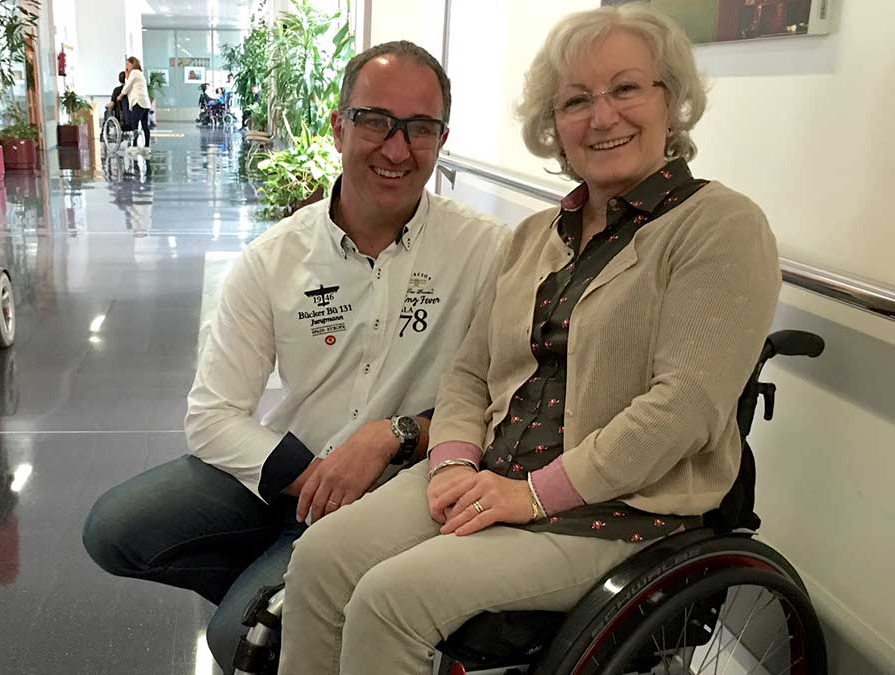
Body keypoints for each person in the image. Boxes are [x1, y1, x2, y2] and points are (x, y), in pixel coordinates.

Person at [277, 6, 783, 674]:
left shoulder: (719, 227)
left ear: (672, 101)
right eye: (576, 100)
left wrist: (534, 494)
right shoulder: (533, 235)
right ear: (555, 126)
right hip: (489, 472)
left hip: (614, 511)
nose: (602, 117)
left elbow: (681, 409)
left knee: (389, 599)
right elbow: (469, 372)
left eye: (626, 89)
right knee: (318, 556)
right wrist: (454, 461)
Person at [82, 41, 510, 673]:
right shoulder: (274, 259)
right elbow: (212, 415)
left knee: (237, 643)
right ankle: (276, 594)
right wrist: (315, 477)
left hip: (405, 490)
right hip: (289, 476)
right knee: (115, 526)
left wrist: (391, 438)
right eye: (375, 122)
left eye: (420, 129)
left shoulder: (487, 252)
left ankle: (275, 606)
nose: (397, 149)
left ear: (442, 139)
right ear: (338, 127)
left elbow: (505, 397)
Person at [114, 56, 152, 157]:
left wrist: (120, 96)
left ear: (133, 64)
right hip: (145, 103)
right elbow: (129, 83)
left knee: (134, 124)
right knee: (145, 125)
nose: (126, 66)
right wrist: (127, 75)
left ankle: (134, 146)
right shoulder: (139, 74)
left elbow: (127, 86)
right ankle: (147, 147)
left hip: (138, 102)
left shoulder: (134, 72)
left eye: (128, 64)